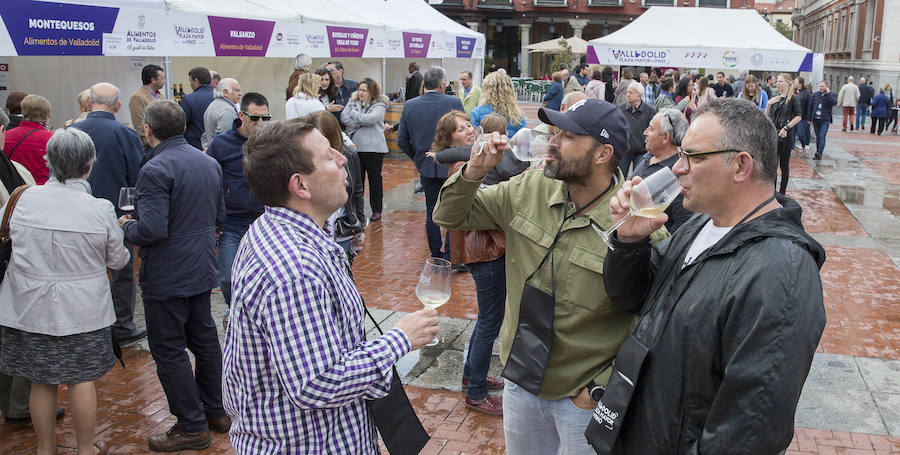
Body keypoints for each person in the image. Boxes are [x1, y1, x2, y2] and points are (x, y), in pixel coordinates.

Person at [433, 99, 665, 455]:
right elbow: (449, 215)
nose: (552, 142)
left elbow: (656, 323)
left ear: (603, 153)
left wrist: (598, 388)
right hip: (520, 380)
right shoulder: (530, 187)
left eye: (568, 136)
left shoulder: (635, 223)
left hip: (579, 397)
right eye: (554, 132)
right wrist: (475, 170)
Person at [602, 97, 826, 454]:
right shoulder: (700, 226)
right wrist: (629, 243)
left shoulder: (782, 272)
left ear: (740, 166)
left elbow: (748, 432)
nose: (678, 168)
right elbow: (630, 299)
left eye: (692, 156)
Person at [221, 117, 438, 453]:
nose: (342, 157)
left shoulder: (278, 227)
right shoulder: (294, 270)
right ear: (301, 186)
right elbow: (316, 382)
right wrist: (400, 339)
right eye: (327, 157)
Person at [0, 128, 129, 455]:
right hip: (85, 311)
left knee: (40, 380)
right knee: (82, 379)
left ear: (49, 162)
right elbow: (118, 259)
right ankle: (85, 448)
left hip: (29, 308)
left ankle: (46, 448)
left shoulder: (21, 200)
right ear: (89, 165)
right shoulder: (99, 209)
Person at [119, 100, 229, 451]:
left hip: (168, 273)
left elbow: (151, 229)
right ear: (183, 128)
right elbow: (218, 214)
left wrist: (126, 226)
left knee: (168, 349)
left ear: (148, 130)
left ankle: (192, 424)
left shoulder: (155, 169)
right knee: (205, 339)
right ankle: (216, 410)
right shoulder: (208, 162)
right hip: (200, 266)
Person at [431, 111, 527, 416]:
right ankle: (475, 391)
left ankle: (472, 374)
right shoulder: (466, 165)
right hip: (485, 250)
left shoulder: (471, 158)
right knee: (490, 321)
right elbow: (475, 209)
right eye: (461, 130)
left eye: (469, 126)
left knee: (486, 319)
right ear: (450, 139)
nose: (469, 132)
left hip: (483, 249)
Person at [71, 82, 147, 346]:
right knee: (122, 271)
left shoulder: (72, 131)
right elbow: (138, 176)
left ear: (90, 103)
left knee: (83, 271)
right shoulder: (124, 134)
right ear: (117, 105)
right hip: (117, 214)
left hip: (77, 213)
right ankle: (122, 326)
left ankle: (86, 324)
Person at [206, 92, 270, 328]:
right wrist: (215, 219)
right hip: (232, 222)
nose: (260, 123)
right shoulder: (221, 144)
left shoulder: (270, 141)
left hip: (264, 221)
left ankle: (254, 317)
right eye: (255, 118)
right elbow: (211, 181)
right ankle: (235, 309)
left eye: (265, 117)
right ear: (241, 115)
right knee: (228, 277)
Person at [0, 108, 40, 429]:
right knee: (15, 332)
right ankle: (15, 404)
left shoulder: (13, 167)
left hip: (11, 264)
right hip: (12, 264)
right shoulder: (15, 170)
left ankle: (15, 404)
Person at [397, 66, 464, 261]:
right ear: (442, 84)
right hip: (450, 164)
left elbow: (402, 140)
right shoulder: (453, 102)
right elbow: (465, 133)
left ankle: (437, 253)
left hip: (426, 165)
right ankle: (452, 254)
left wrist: (418, 157)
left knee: (431, 210)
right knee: (453, 209)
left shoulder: (410, 105)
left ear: (425, 84)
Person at [309, 111, 366, 259]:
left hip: (342, 229)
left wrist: (359, 227)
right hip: (316, 230)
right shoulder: (306, 160)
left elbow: (358, 191)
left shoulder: (349, 156)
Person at [632, 108, 693, 233]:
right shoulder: (648, 156)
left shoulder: (678, 174)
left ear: (665, 137)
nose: (645, 132)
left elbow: (682, 224)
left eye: (651, 129)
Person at [342, 78, 389, 222]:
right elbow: (344, 117)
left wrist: (355, 115)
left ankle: (376, 209)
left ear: (371, 91)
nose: (361, 93)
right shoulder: (353, 101)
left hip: (374, 148)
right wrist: (358, 118)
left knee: (375, 179)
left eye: (364, 90)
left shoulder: (380, 103)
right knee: (357, 180)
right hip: (357, 146)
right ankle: (357, 209)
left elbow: (371, 119)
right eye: (359, 89)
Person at [766, 73, 803, 195]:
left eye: (781, 81)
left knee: (784, 165)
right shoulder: (775, 97)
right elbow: (767, 117)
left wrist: (786, 128)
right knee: (773, 165)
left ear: (787, 82)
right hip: (774, 133)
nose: (778, 84)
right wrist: (769, 104)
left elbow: (799, 116)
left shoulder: (793, 98)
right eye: (777, 81)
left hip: (786, 135)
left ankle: (782, 193)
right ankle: (773, 192)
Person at [4, 94, 53, 185]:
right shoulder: (52, 139)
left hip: (15, 192)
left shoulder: (6, 136)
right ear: (47, 114)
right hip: (42, 190)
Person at [471, 71, 527, 137]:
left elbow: (475, 138)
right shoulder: (517, 114)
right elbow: (525, 137)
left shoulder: (477, 112)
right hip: (509, 146)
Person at [619, 82, 657, 176]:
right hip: (624, 151)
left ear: (640, 95)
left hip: (641, 151)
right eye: (627, 92)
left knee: (638, 178)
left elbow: (653, 129)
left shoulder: (650, 111)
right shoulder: (621, 109)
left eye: (631, 93)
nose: (627, 95)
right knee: (620, 177)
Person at [129, 64, 166, 149]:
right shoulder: (137, 97)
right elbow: (140, 127)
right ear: (153, 80)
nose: (165, 81)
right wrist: (157, 142)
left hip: (163, 143)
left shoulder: (160, 96)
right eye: (162, 78)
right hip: (151, 146)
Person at [178, 67, 214, 150]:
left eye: (190, 81)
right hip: (216, 146)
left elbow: (180, 125)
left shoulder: (188, 99)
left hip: (195, 146)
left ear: (196, 81)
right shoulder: (220, 98)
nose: (190, 84)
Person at [201, 77, 242, 150]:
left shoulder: (211, 105)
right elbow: (225, 140)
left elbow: (205, 135)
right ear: (225, 92)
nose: (240, 94)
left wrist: (206, 147)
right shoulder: (227, 110)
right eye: (237, 90)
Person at [808, 80, 838, 160]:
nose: (821, 88)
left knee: (822, 136)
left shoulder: (831, 94)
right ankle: (818, 152)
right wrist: (809, 118)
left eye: (822, 86)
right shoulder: (815, 95)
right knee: (818, 137)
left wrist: (828, 94)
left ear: (826, 87)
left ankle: (819, 153)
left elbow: (834, 102)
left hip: (825, 119)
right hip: (816, 119)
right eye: (820, 86)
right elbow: (810, 106)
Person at [326, 61, 359, 128]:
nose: (328, 73)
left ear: (340, 71)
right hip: (334, 126)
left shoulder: (354, 85)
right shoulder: (326, 88)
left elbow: (367, 102)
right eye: (327, 71)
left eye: (331, 70)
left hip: (352, 125)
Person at [794, 77, 813, 156]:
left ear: (800, 83)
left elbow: (809, 106)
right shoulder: (794, 92)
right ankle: (792, 148)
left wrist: (809, 118)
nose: (795, 84)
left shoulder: (806, 93)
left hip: (803, 117)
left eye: (796, 82)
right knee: (792, 134)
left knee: (801, 133)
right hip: (793, 116)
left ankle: (804, 146)